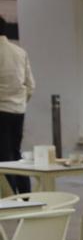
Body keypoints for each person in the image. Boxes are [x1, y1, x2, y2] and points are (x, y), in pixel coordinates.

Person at [0, 17, 35, 195]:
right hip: (18, 110)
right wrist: (20, 102)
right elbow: (31, 85)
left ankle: (9, 194)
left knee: (4, 155)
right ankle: (25, 191)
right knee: (15, 151)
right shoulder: (19, 52)